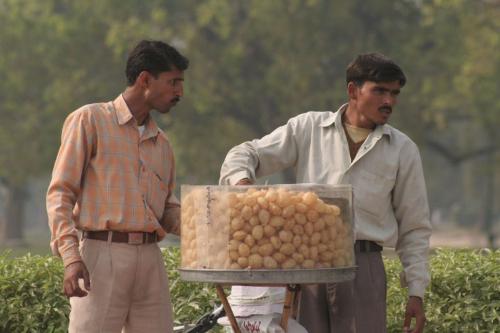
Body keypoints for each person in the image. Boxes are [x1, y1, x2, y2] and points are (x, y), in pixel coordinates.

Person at [219, 53, 431, 333]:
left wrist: (416, 290)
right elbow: (245, 153)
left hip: (363, 267)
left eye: (394, 93)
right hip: (307, 266)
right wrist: (242, 185)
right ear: (353, 91)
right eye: (380, 91)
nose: (389, 101)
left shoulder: (402, 149)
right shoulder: (308, 128)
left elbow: (414, 227)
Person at [46, 40, 188, 333]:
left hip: (151, 261)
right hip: (101, 255)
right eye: (173, 82)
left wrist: (214, 223)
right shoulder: (90, 120)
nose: (179, 92)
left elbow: (166, 212)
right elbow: (60, 193)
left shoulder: (162, 143)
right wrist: (71, 258)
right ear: (145, 79)